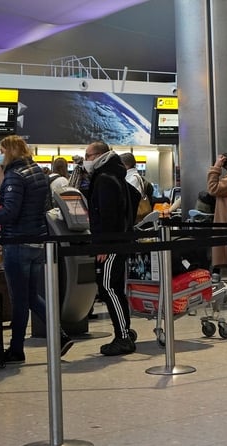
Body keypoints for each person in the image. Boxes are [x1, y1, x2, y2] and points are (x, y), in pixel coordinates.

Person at [0, 135, 73, 363]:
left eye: (3, 150)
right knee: (32, 296)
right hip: (36, 241)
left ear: (10, 151)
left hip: (18, 242)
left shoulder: (14, 175)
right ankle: (60, 335)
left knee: (19, 299)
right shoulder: (36, 171)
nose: (0, 155)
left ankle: (16, 349)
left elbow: (10, 212)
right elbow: (29, 203)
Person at [83, 140, 138, 356]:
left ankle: (123, 337)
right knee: (114, 287)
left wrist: (104, 245)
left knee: (108, 287)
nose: (86, 160)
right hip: (120, 241)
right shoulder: (115, 174)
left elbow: (108, 215)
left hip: (112, 244)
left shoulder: (104, 179)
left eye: (88, 156)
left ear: (98, 156)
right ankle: (124, 330)